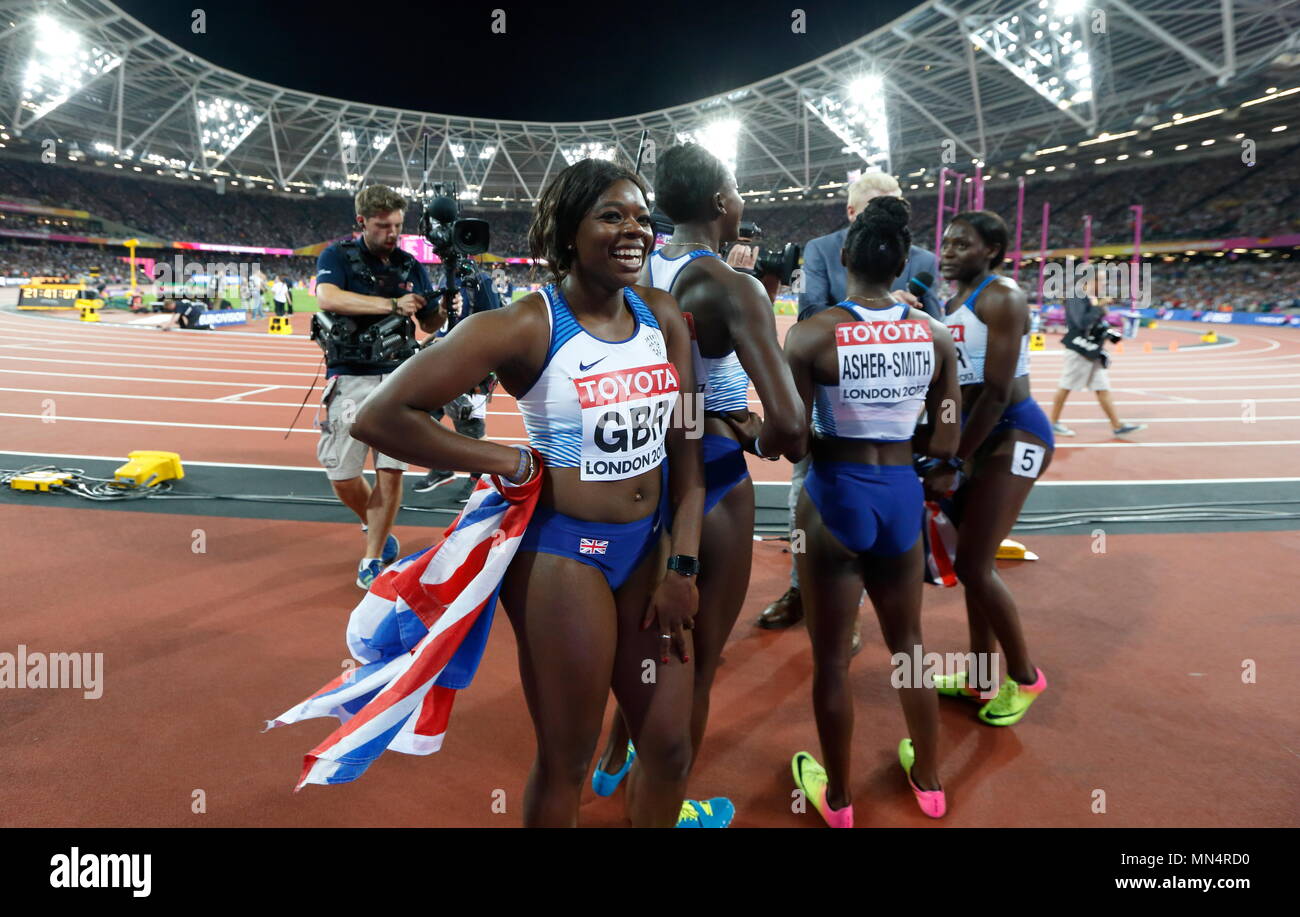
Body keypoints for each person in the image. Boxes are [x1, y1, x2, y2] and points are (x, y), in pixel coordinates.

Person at [349, 158, 713, 828]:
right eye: (611, 215)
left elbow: (687, 457)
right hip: (563, 557)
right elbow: (378, 416)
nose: (634, 229)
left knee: (668, 744)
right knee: (567, 759)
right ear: (567, 231)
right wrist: (504, 457)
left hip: (652, 553)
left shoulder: (662, 315)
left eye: (641, 216)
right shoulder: (525, 325)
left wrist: (685, 564)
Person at [588, 143, 806, 824]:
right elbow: (792, 426)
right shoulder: (731, 285)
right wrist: (756, 434)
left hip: (636, 484)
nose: (743, 203)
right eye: (738, 191)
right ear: (719, 204)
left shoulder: (628, 266)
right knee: (695, 663)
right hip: (710, 485)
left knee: (647, 644)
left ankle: (613, 759)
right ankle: (661, 804)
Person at [784, 196, 961, 827]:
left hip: (835, 497)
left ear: (846, 259)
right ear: (901, 265)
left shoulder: (812, 334)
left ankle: (838, 798)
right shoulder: (936, 336)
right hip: (900, 500)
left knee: (832, 659)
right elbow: (945, 442)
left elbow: (793, 439)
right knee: (909, 646)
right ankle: (931, 779)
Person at [760, 170, 939, 640]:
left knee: (876, 520)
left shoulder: (921, 257)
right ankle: (803, 590)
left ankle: (849, 607)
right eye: (878, 204)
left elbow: (938, 324)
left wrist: (907, 313)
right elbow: (809, 313)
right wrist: (871, 313)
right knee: (805, 492)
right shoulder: (821, 248)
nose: (888, 213)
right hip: (827, 410)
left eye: (895, 204)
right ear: (851, 212)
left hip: (891, 424)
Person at [924, 210, 1052, 726]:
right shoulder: (950, 303)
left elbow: (997, 392)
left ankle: (1025, 677)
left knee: (975, 565)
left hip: (1015, 435)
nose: (949, 250)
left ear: (992, 251)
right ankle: (980, 677)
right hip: (975, 441)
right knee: (975, 569)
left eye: (963, 243)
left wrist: (953, 458)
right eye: (947, 242)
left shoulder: (1002, 297)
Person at [314, 185, 444, 589]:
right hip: (350, 372)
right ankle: (378, 530)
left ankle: (372, 557)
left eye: (398, 226)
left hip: (397, 376)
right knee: (342, 475)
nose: (392, 233)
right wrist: (390, 305)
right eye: (383, 225)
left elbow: (430, 326)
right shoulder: (337, 256)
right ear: (362, 222)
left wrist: (442, 308)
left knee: (390, 470)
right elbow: (328, 297)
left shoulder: (411, 264)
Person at [1050, 276, 1148, 437]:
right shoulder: (1076, 296)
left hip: (1093, 350)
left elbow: (1093, 324)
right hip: (1079, 349)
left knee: (1103, 388)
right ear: (1090, 281)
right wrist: (1100, 307)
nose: (1104, 284)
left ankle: (1117, 426)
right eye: (1101, 281)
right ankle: (1053, 423)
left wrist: (1107, 330)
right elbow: (1081, 323)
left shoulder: (1092, 298)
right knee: (1066, 385)